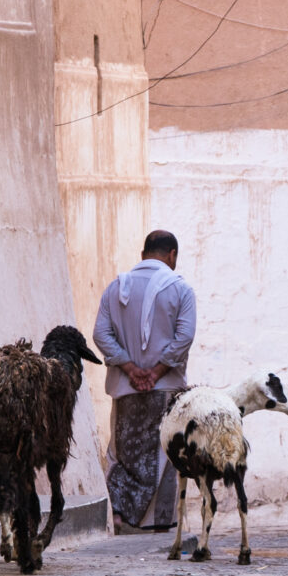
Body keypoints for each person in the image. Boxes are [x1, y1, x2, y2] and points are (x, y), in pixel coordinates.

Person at [91, 228, 197, 533]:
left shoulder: (116, 287)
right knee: (161, 455)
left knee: (123, 452)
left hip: (126, 388)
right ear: (172, 255)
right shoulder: (181, 289)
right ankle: (156, 522)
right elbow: (184, 337)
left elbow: (101, 334)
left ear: (143, 254)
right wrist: (155, 372)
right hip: (164, 389)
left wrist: (130, 368)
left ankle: (120, 515)